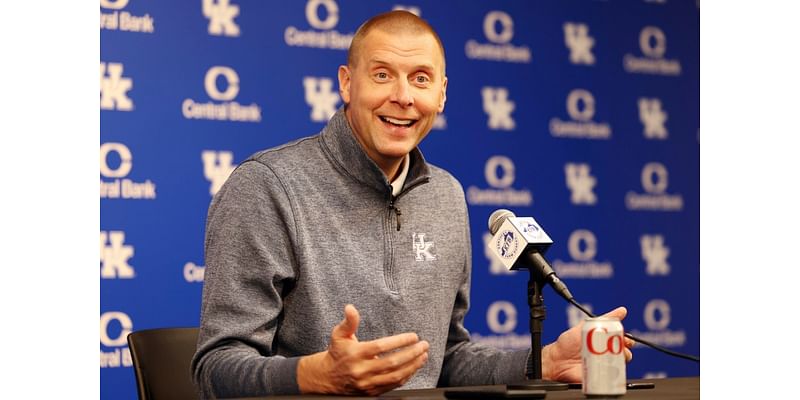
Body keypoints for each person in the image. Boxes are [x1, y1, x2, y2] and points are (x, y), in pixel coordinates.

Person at [191, 10, 633, 398]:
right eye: (382, 74)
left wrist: (542, 362)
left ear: (440, 94)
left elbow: (448, 359)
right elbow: (215, 370)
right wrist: (314, 375)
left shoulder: (446, 195)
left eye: (420, 79)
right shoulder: (267, 186)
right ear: (347, 83)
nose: (402, 96)